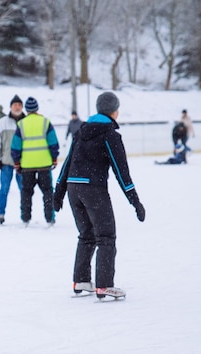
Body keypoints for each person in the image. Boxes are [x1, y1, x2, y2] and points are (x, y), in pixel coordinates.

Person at [53, 91, 145, 300]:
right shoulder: (109, 134)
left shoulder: (81, 131)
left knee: (87, 235)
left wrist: (58, 193)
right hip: (93, 188)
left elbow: (67, 163)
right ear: (114, 111)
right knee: (106, 236)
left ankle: (82, 280)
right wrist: (135, 201)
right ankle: (103, 285)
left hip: (73, 188)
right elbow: (122, 171)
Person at [11, 97, 60, 226]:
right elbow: (53, 142)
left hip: (27, 165)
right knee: (48, 192)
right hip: (44, 164)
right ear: (37, 108)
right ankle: (50, 218)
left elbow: (15, 146)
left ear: (26, 109)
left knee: (26, 192)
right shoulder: (45, 122)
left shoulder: (21, 124)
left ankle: (25, 218)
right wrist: (54, 158)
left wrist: (17, 162)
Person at [0, 94, 25, 224]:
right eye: (14, 105)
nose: (17, 107)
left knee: (24, 190)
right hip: (6, 162)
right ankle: (0, 213)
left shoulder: (26, 122)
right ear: (10, 107)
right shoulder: (2, 122)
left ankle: (25, 213)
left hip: (23, 163)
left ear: (22, 107)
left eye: (19, 105)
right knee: (4, 189)